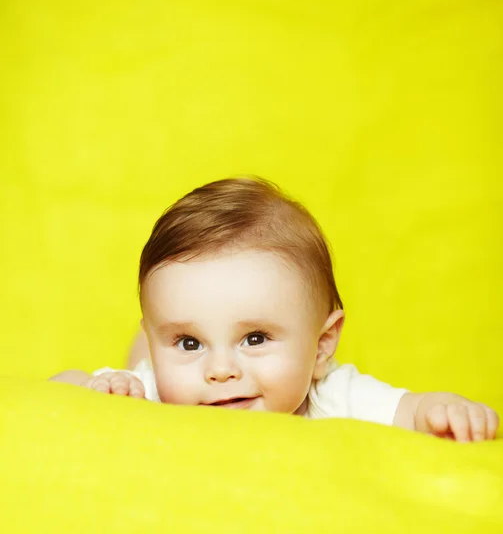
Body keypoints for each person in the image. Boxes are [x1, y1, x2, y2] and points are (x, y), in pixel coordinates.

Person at [50, 177, 499, 441]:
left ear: (322, 346)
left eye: (255, 338)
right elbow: (60, 389)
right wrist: (98, 387)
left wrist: (442, 410)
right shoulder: (152, 391)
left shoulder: (330, 395)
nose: (220, 370)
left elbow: (409, 410)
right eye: (189, 342)